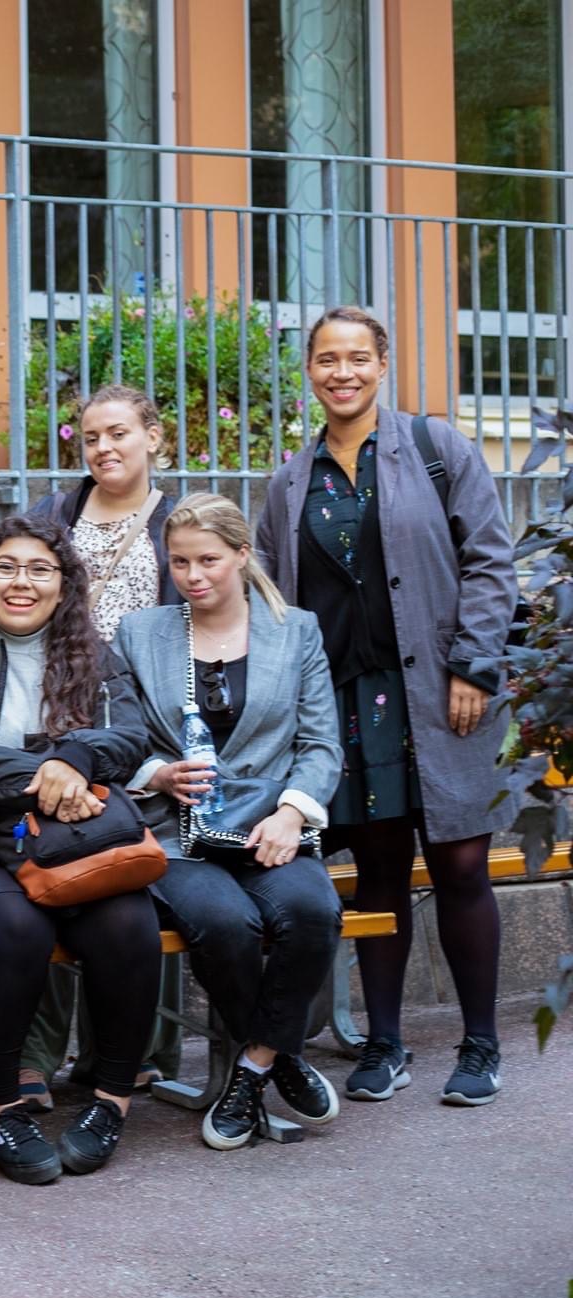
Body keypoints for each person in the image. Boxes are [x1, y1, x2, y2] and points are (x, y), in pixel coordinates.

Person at [256, 305, 519, 1106]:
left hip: (442, 695)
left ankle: (479, 1043)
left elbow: (491, 558)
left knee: (462, 864)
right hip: (345, 701)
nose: (343, 372)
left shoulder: (438, 450)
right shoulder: (290, 481)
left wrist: (474, 663)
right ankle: (386, 1041)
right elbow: (268, 589)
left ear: (383, 362)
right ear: (310, 370)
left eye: (357, 358)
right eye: (327, 359)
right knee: (375, 871)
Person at [0, 516, 159, 1184]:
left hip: (77, 839)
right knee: (14, 926)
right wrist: (50, 776)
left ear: (64, 583)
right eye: (6, 567)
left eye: (40, 568)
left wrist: (75, 757)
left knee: (131, 921)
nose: (22, 581)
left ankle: (110, 1099)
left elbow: (130, 734)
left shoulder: (93, 650)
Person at [114, 494, 346, 1149]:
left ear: (243, 556)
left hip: (270, 826)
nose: (194, 575)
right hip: (177, 833)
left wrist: (291, 811)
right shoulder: (141, 632)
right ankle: (283, 1056)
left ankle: (251, 1071)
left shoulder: (295, 629)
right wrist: (157, 772)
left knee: (312, 910)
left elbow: (322, 743)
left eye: (210, 560)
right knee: (226, 922)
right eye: (180, 561)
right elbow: (119, 736)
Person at [19, 383, 186, 1108]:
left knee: (138, 868)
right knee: (54, 866)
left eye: (118, 433)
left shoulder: (180, 521)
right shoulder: (54, 515)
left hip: (149, 722)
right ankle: (38, 1053)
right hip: (63, 719)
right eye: (90, 437)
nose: (103, 448)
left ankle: (138, 1048)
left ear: (155, 436)